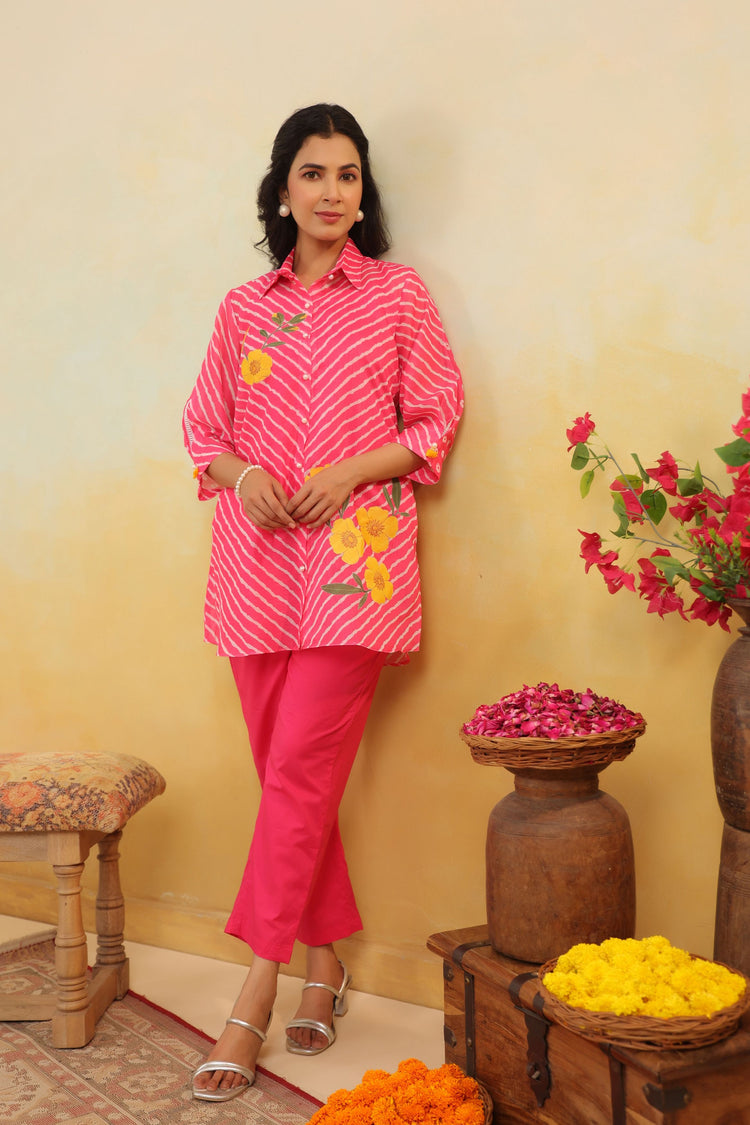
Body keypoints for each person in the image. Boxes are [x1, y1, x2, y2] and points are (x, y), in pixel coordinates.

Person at [183, 103, 463, 1103]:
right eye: (314, 173)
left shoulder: (396, 295)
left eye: (349, 174)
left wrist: (345, 472)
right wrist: (244, 473)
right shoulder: (241, 308)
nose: (333, 191)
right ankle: (324, 962)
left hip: (356, 572)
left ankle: (253, 992)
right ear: (282, 190)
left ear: (362, 190)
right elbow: (203, 431)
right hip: (254, 569)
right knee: (287, 782)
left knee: (299, 773)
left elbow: (436, 417)